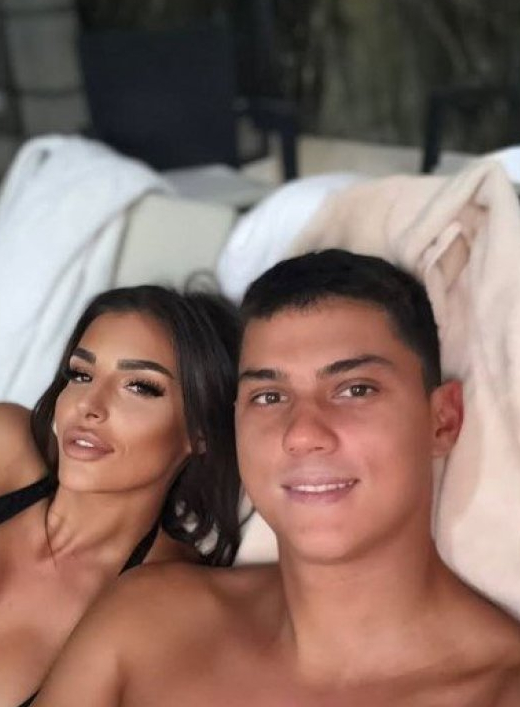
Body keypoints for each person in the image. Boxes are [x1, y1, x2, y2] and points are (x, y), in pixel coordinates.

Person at [35, 250, 520, 706]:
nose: (302, 434)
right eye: (268, 396)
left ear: (443, 421)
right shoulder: (147, 619)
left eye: (355, 389)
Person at [0, 285, 243, 707]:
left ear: (201, 433)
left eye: (139, 386)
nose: (88, 405)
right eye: (81, 375)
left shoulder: (167, 599)